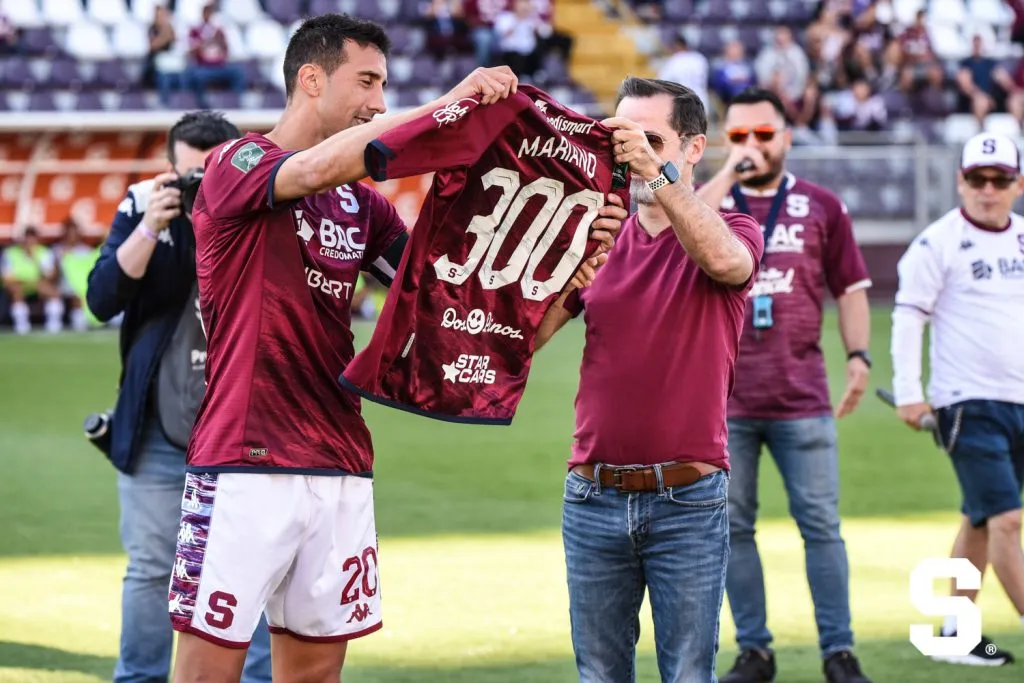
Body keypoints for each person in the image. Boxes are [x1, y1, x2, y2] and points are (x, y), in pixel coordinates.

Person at [169, 13, 624, 683]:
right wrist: (447, 108)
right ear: (312, 79)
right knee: (207, 676)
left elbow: (458, 317)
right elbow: (315, 167)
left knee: (316, 675)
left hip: (342, 463)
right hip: (245, 459)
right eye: (368, 82)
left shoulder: (362, 207)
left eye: (386, 86)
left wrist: (570, 275)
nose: (379, 102)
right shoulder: (238, 162)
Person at [535, 77, 764, 683]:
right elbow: (525, 341)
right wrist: (570, 273)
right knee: (599, 675)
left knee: (689, 674)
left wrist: (657, 177)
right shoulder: (597, 235)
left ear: (693, 149)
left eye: (651, 139)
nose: (631, 151)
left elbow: (726, 264)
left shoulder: (734, 228)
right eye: (622, 138)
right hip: (591, 496)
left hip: (687, 501)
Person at [85, 111, 273, 683]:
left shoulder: (262, 202)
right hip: (157, 423)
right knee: (150, 567)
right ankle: (139, 678)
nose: (199, 187)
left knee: (255, 568)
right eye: (190, 175)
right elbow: (101, 298)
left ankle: (259, 679)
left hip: (243, 424)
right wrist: (152, 227)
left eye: (211, 173)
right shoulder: (145, 204)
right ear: (170, 168)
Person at [696, 87, 874, 683]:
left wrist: (859, 355)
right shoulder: (710, 206)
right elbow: (676, 232)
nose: (751, 146)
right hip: (725, 403)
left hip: (803, 399)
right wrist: (725, 174)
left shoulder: (822, 205)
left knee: (821, 528)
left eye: (763, 135)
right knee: (734, 529)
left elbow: (850, 288)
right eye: (739, 135)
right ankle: (755, 650)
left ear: (787, 137)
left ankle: (839, 652)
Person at [891, 131, 1024, 666]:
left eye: (1000, 179)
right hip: (967, 403)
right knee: (1007, 521)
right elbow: (908, 317)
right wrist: (908, 393)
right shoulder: (936, 243)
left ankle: (954, 629)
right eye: (977, 179)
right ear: (960, 181)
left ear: (1018, 183)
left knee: (979, 517)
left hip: (1018, 399)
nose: (987, 190)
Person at [1, 225, 62, 334]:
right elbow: (6, 276)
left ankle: (53, 324)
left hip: (37, 283)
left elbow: (49, 275)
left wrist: (34, 258)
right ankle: (21, 324)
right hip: (18, 283)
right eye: (27, 238)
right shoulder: (10, 253)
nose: (29, 242)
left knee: (53, 292)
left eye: (32, 238)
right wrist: (22, 282)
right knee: (16, 290)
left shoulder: (43, 252)